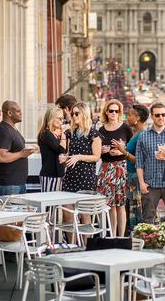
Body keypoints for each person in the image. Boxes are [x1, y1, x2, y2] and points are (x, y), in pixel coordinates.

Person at [61, 102, 102, 241]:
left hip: (85, 177)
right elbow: (66, 152)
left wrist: (78, 157)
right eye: (72, 113)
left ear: (84, 114)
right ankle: (72, 245)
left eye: (77, 113)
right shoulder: (69, 133)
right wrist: (64, 158)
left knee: (85, 214)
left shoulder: (94, 134)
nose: (73, 116)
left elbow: (96, 157)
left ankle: (85, 246)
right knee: (67, 213)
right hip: (70, 176)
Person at [96, 99, 133, 237]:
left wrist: (121, 151)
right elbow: (97, 151)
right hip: (106, 168)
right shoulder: (101, 130)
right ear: (106, 112)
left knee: (121, 204)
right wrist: (104, 151)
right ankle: (112, 235)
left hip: (120, 168)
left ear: (120, 112)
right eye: (111, 110)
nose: (113, 113)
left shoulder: (125, 128)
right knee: (110, 204)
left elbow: (131, 148)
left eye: (116, 111)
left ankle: (121, 236)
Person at [134, 102, 165, 224]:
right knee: (148, 220)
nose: (161, 117)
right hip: (150, 185)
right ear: (152, 116)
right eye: (157, 115)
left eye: (163, 114)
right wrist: (141, 183)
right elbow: (139, 162)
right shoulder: (143, 136)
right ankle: (148, 242)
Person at [114, 104, 149, 231]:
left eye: (129, 115)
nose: (126, 117)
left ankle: (138, 237)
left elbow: (140, 162)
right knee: (131, 209)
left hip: (135, 178)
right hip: (130, 176)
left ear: (137, 118)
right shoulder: (136, 133)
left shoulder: (142, 135)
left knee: (136, 211)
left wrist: (124, 151)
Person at [0, 100, 38, 196]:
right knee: (8, 211)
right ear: (9, 113)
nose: (21, 113)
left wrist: (27, 151)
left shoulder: (12, 129)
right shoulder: (4, 130)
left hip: (16, 183)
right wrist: (21, 154)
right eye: (18, 111)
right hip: (8, 184)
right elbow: (1, 156)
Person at [38, 106, 67, 192]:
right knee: (49, 204)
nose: (61, 122)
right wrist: (64, 135)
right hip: (50, 175)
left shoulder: (55, 134)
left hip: (58, 174)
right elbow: (61, 151)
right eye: (59, 118)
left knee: (57, 204)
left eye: (62, 119)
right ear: (51, 118)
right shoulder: (46, 134)